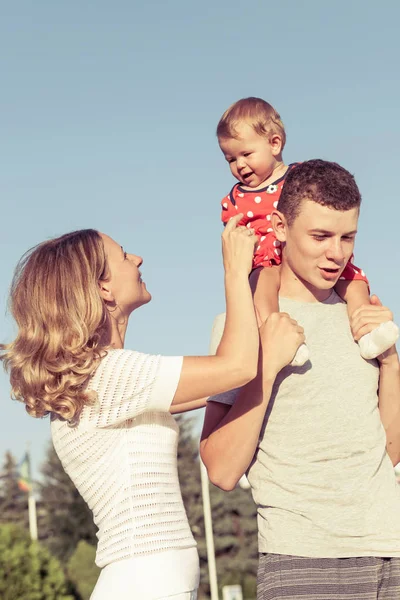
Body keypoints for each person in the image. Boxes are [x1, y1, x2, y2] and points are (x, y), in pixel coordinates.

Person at [0, 216, 304, 600]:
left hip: (147, 582)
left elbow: (231, 382)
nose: (138, 259)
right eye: (124, 255)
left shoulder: (109, 379)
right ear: (103, 288)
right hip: (146, 583)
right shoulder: (108, 375)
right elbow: (238, 367)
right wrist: (235, 271)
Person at [201, 160, 400, 600]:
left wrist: (391, 365)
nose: (337, 253)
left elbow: (387, 452)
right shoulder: (243, 326)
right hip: (303, 561)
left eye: (348, 237)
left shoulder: (363, 322)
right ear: (280, 226)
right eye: (320, 236)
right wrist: (267, 366)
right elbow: (221, 468)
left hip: (393, 553)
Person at [217, 97, 399, 362]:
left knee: (354, 280)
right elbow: (234, 234)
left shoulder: (299, 175)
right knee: (262, 283)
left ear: (274, 143)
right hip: (266, 257)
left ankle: (367, 330)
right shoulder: (235, 198)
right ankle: (276, 332)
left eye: (246, 154)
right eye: (230, 159)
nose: (240, 165)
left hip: (299, 249)